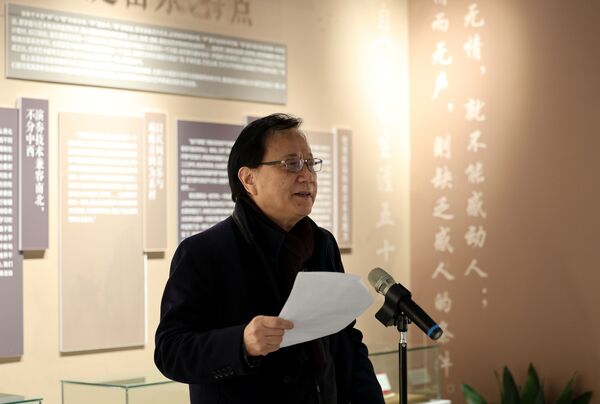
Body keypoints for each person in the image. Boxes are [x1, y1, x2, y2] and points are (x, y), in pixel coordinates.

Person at [154, 113, 385, 404]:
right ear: (249, 179)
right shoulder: (204, 252)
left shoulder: (321, 243)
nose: (307, 175)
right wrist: (241, 343)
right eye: (291, 164)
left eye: (310, 163)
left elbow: (344, 337)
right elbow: (171, 351)